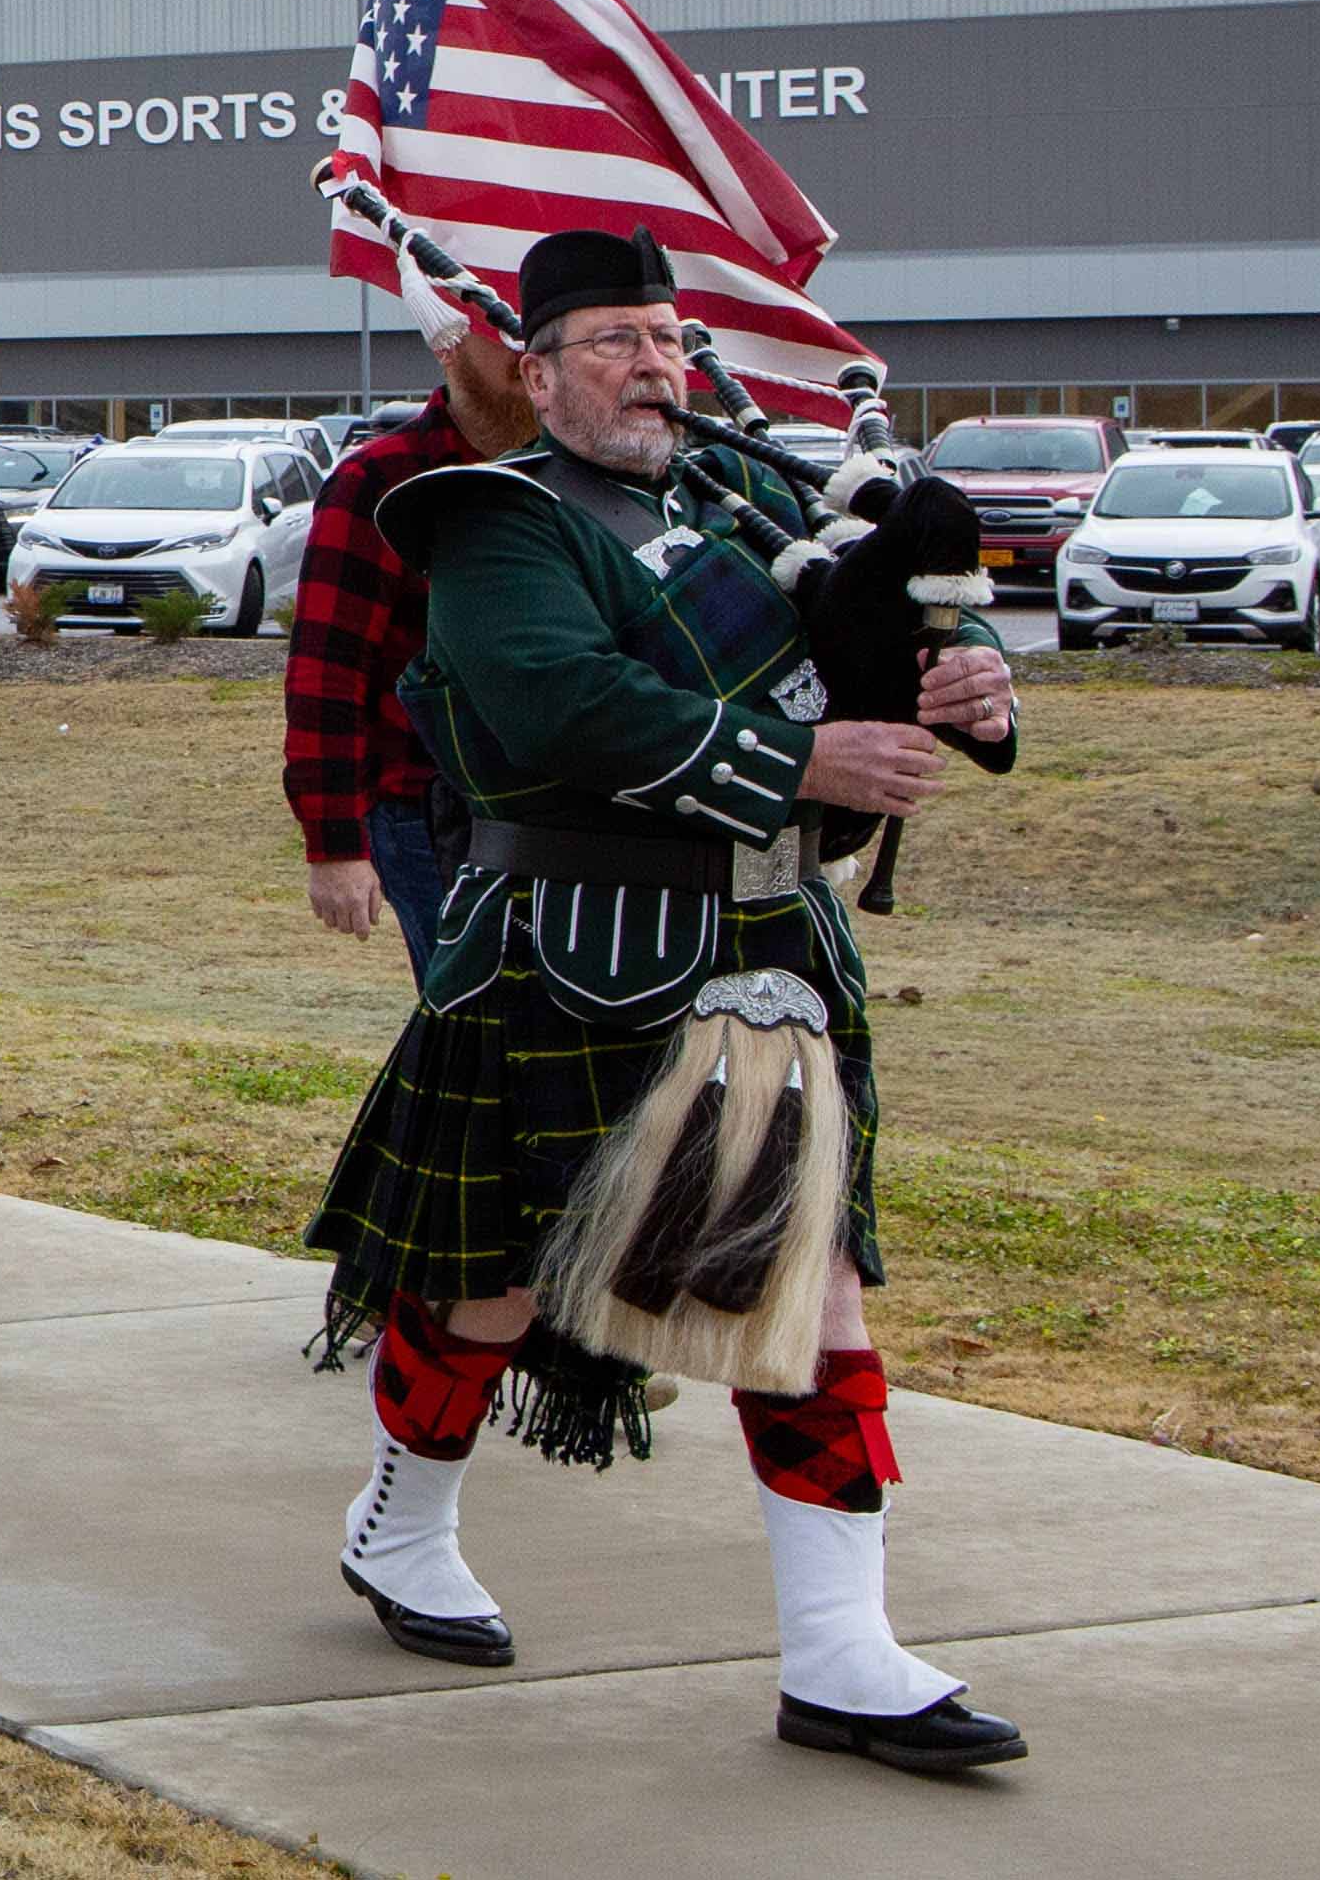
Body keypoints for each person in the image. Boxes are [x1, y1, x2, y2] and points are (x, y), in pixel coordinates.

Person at [300, 229, 1028, 1773]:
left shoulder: (750, 499)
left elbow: (884, 628)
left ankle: (842, 1653)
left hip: (770, 959)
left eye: (667, 335)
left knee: (808, 1294)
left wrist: (966, 679)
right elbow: (558, 697)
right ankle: (401, 1520)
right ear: (539, 366)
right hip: (570, 953)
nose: (653, 364)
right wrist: (800, 761)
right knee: (501, 1286)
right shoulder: (494, 517)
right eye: (616, 338)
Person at [290, 317, 539, 977]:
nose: (526, 352)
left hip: (552, 811)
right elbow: (326, 677)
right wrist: (336, 845)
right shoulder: (381, 483)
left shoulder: (571, 477)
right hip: (424, 814)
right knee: (480, 1020)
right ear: (449, 344)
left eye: (539, 334)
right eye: (504, 332)